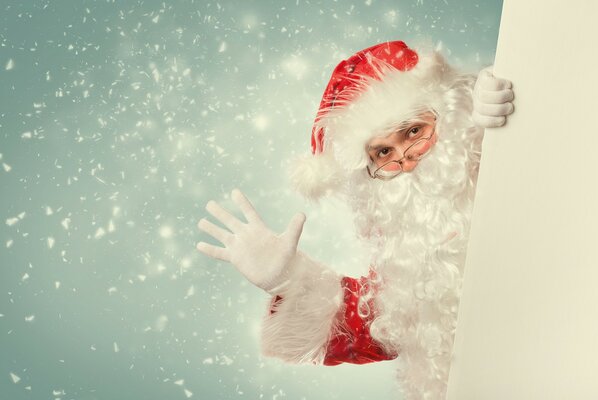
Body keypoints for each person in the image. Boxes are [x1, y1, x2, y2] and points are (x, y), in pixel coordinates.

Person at [196, 41, 514, 399]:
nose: (406, 162)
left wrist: (511, 119)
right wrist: (287, 282)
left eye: (413, 131)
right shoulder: (410, 261)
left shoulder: (492, 157)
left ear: (449, 114)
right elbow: (375, 327)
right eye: (383, 152)